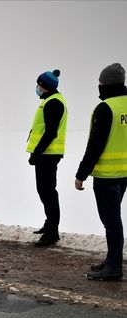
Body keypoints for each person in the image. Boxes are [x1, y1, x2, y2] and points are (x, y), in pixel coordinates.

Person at [75, 63, 127, 281]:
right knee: (113, 220)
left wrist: (81, 174)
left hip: (107, 176)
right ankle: (111, 260)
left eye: (100, 83)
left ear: (106, 84)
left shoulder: (106, 108)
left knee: (111, 221)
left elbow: (95, 145)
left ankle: (114, 266)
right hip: (123, 174)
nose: (99, 86)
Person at [26, 69, 67, 247]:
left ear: (45, 86)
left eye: (38, 84)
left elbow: (50, 132)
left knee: (48, 192)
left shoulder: (54, 103)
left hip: (47, 155)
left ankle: (52, 232)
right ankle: (50, 225)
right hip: (46, 154)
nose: (37, 87)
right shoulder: (51, 101)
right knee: (45, 191)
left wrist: (37, 152)